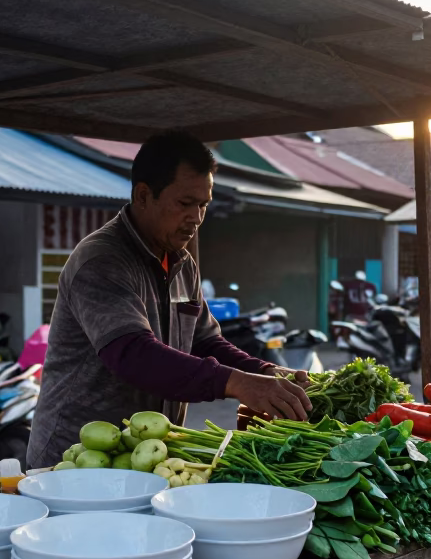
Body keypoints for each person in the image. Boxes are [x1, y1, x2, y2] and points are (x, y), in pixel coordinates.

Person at [27, 131, 311, 468]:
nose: (196, 217)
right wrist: (236, 383)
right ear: (144, 196)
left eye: (203, 204)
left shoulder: (181, 262)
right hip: (75, 458)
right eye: (185, 203)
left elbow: (205, 342)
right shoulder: (102, 261)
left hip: (144, 455)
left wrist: (265, 372)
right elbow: (133, 354)